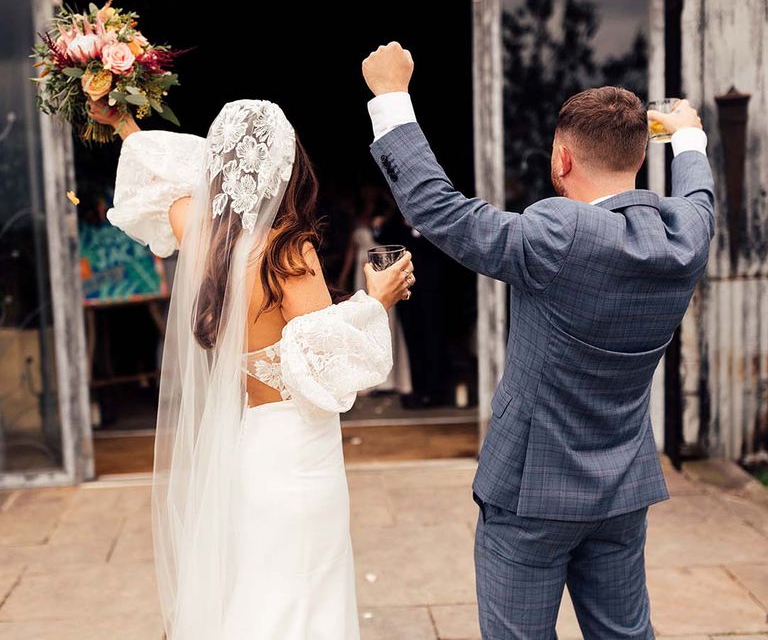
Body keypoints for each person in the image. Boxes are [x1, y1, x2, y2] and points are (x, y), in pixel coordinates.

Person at [361, 42, 713, 639]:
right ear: (639, 156)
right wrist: (688, 136)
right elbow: (699, 194)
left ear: (562, 160)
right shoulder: (686, 235)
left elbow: (443, 214)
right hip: (624, 484)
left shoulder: (559, 230)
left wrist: (391, 97)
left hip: (530, 492)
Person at [87, 98, 415, 639]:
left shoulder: (203, 236)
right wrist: (375, 300)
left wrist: (124, 122)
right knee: (306, 596)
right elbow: (319, 361)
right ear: (287, 166)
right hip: (300, 456)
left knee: (262, 592)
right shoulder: (289, 251)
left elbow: (154, 173)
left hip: (251, 446)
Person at [338, 186, 412, 395]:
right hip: (360, 272)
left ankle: (390, 379)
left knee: (385, 317)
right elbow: (351, 252)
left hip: (379, 269)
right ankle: (367, 379)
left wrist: (385, 200)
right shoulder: (357, 221)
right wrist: (343, 276)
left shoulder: (384, 219)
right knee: (363, 318)